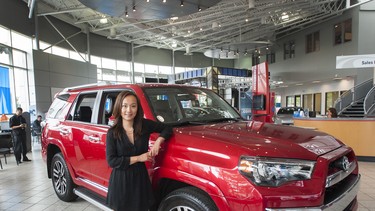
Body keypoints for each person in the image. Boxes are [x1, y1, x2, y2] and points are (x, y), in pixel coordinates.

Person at [106, 91, 173, 211]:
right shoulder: (113, 132)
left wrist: (158, 142)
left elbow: (167, 129)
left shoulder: (144, 125)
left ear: (137, 108)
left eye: (133, 106)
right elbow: (112, 161)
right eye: (124, 106)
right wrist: (139, 158)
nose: (129, 110)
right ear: (119, 107)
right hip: (121, 181)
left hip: (139, 179)